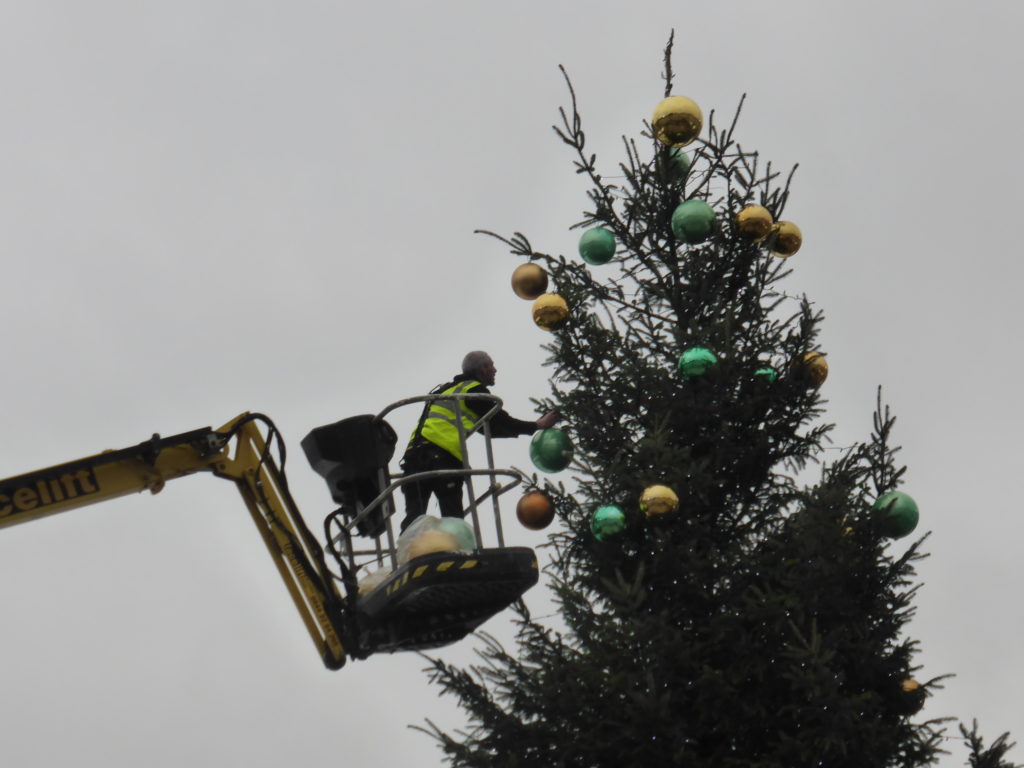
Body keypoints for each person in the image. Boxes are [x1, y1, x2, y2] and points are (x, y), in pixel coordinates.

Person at [399, 351, 559, 532]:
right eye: (491, 365)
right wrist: (537, 425)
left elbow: (490, 429)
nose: (495, 370)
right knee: (453, 521)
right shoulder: (473, 391)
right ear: (482, 369)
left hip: (413, 457)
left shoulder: (445, 390)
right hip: (442, 458)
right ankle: (455, 556)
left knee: (413, 518)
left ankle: (407, 553)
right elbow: (501, 421)